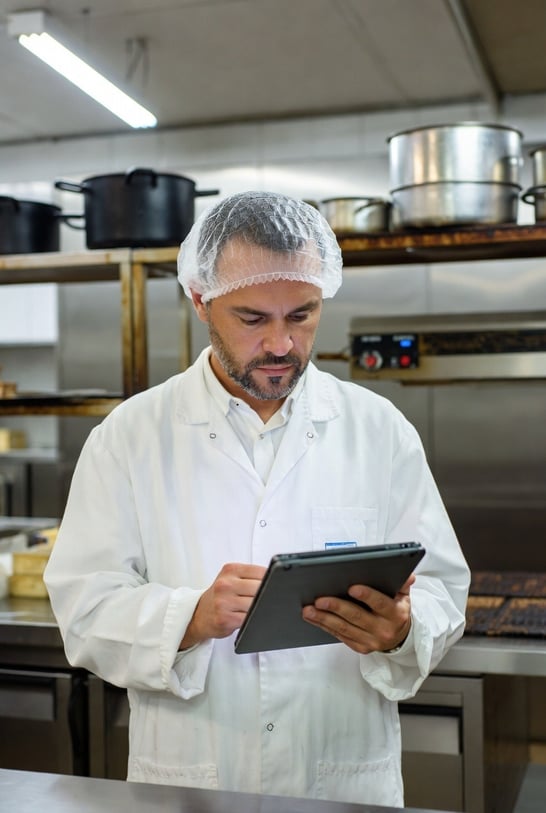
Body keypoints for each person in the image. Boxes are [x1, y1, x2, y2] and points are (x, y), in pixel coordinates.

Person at [44, 190, 470, 808]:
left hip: (343, 779)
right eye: (252, 319)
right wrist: (188, 618)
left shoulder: (378, 430)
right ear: (200, 301)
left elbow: (441, 590)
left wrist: (401, 631)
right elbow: (83, 609)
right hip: (192, 783)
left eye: (301, 315)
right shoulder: (130, 437)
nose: (280, 344)